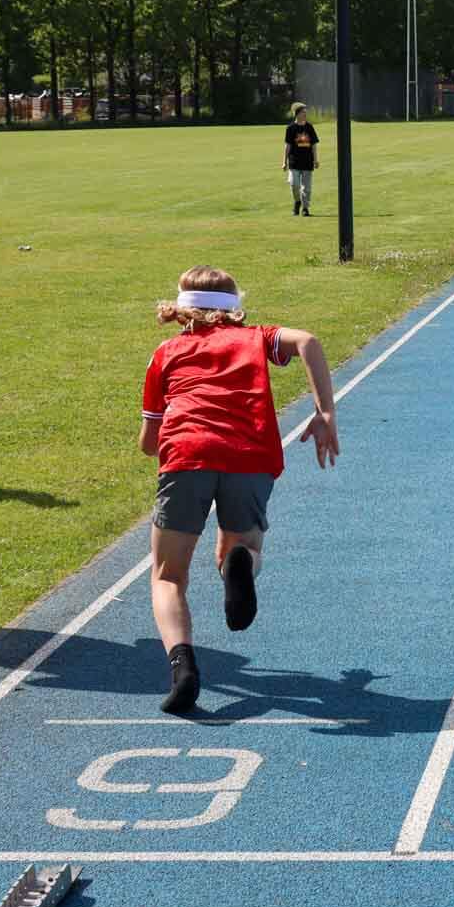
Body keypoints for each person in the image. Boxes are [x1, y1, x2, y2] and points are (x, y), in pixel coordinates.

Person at [141, 266, 339, 714]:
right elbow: (306, 340)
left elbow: (149, 442)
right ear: (235, 308)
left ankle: (183, 667)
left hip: (187, 454)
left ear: (180, 311)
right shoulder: (255, 338)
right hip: (250, 455)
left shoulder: (166, 353)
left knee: (168, 576)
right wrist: (325, 412)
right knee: (242, 545)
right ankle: (241, 561)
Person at [283, 103, 319, 218]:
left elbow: (313, 145)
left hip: (307, 161)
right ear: (297, 114)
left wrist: (316, 160)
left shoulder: (309, 127)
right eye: (303, 113)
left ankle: (305, 208)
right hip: (294, 161)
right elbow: (287, 146)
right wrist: (284, 161)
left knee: (306, 188)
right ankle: (297, 201)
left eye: (305, 113)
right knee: (294, 184)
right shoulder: (290, 128)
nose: (305, 115)